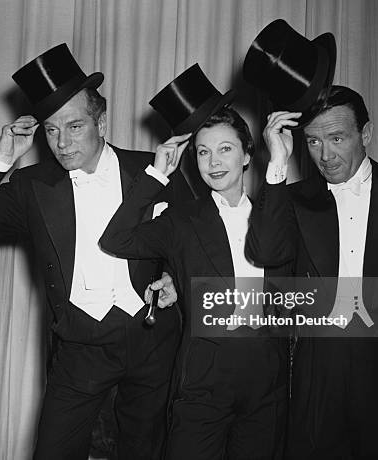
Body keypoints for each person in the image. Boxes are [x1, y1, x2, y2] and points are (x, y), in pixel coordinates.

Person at [0, 43, 193, 460]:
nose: (62, 143)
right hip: (79, 347)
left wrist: (176, 278)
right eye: (52, 130)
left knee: (143, 449)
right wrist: (1, 160)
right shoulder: (32, 187)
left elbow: (193, 240)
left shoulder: (155, 169)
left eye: (75, 127)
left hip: (152, 342)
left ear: (101, 123)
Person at [100, 65, 288, 460]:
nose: (213, 161)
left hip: (266, 376)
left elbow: (273, 253)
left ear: (247, 154)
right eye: (203, 151)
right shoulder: (182, 222)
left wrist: (279, 166)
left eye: (225, 149)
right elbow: (115, 240)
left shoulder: (281, 213)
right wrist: (156, 173)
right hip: (203, 376)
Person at [246, 85, 378, 459]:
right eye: (314, 142)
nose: (326, 154)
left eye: (337, 138)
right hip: (318, 371)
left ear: (365, 134)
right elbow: (266, 253)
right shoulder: (293, 199)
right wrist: (277, 164)